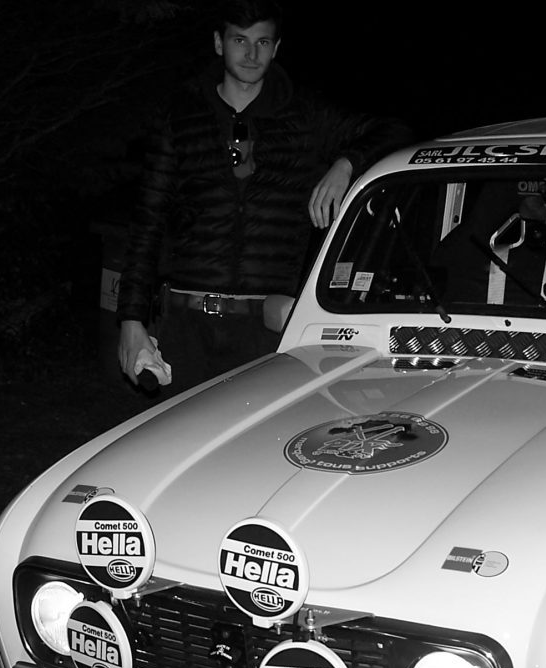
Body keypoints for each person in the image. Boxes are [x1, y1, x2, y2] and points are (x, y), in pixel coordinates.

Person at [116, 0, 413, 394]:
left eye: (262, 42)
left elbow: (395, 131)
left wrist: (345, 164)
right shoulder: (181, 115)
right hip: (187, 324)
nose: (251, 53)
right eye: (240, 40)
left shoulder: (305, 115)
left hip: (266, 328)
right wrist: (131, 319)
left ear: (276, 48)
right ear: (219, 43)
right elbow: (147, 221)